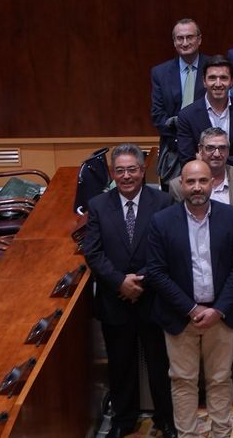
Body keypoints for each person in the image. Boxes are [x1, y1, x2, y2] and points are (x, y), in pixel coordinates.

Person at [145, 159, 233, 438]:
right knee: (183, 381)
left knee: (220, 379)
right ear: (181, 184)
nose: (197, 187)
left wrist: (218, 310)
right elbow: (156, 271)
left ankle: (220, 433)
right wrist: (190, 308)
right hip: (179, 317)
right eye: (190, 182)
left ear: (213, 183)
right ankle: (187, 434)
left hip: (220, 316)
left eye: (203, 180)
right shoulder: (161, 222)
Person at [81, 144, 177, 438]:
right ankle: (124, 418)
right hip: (115, 299)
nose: (126, 176)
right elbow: (93, 252)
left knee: (160, 365)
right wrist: (120, 282)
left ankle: (166, 418)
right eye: (119, 170)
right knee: (120, 365)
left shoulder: (162, 201)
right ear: (112, 173)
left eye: (132, 169)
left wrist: (141, 281)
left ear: (142, 169)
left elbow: (168, 248)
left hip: (153, 298)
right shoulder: (98, 205)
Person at [176, 56, 233, 173]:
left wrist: (207, 160)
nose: (218, 83)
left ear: (231, 81)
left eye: (223, 78)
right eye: (212, 78)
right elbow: (187, 161)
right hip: (202, 183)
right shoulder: (187, 115)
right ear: (204, 81)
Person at [152, 18, 206, 185]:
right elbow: (157, 115)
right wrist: (182, 142)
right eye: (179, 38)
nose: (184, 42)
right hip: (173, 147)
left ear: (199, 39)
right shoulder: (160, 72)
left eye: (189, 37)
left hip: (207, 147)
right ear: (174, 42)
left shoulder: (213, 66)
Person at [170, 127, 233, 209]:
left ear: (228, 151)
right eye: (210, 148)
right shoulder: (178, 186)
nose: (217, 154)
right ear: (200, 149)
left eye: (222, 148)